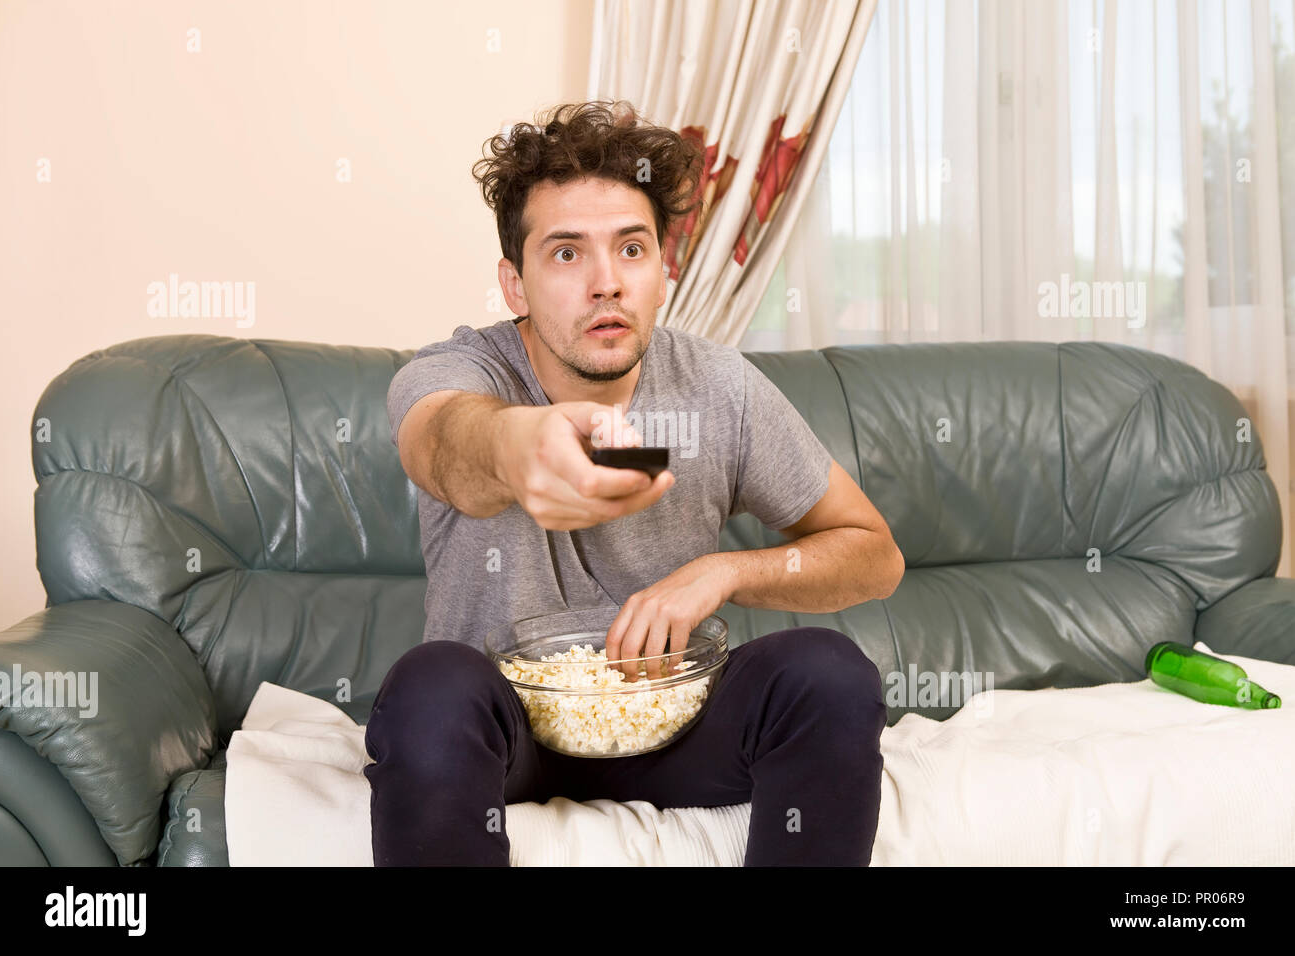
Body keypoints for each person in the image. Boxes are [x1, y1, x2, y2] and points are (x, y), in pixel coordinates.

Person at [365, 100, 904, 866]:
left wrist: (722, 573)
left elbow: (875, 555)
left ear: (663, 272)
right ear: (513, 284)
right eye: (565, 254)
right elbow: (445, 442)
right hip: (505, 735)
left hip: (676, 724)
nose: (605, 283)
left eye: (631, 249)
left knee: (828, 672)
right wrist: (521, 447)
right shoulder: (458, 373)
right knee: (430, 687)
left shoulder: (721, 388)